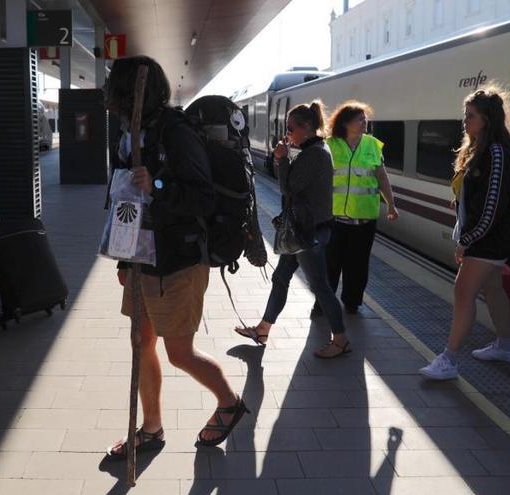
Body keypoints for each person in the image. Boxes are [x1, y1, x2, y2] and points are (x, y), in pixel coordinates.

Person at [103, 56, 248, 458]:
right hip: (140, 257)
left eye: (112, 87)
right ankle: (151, 429)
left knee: (178, 352)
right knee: (140, 342)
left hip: (178, 262)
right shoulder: (129, 133)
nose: (106, 95)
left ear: (133, 92)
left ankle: (229, 402)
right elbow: (123, 200)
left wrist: (159, 185)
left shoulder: (176, 131)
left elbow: (200, 196)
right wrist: (122, 257)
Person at [420, 87, 510, 380]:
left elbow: (491, 207)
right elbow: (481, 197)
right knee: (492, 287)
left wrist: (467, 240)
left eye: (471, 116)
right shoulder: (483, 151)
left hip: (489, 239)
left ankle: (449, 360)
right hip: (489, 237)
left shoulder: (495, 153)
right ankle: (506, 346)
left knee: (463, 292)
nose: (465, 122)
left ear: (488, 120)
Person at [233, 102, 350, 358]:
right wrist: (283, 159)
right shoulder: (313, 150)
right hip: (302, 231)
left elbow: (289, 188)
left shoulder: (315, 154)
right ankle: (263, 328)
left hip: (308, 234)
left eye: (290, 128)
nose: (287, 134)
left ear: (306, 128)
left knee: (320, 286)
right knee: (281, 279)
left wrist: (281, 159)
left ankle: (340, 339)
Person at [320, 101, 399, 315]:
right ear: (345, 122)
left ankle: (352, 302)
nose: (365, 122)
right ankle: (323, 304)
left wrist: (391, 203)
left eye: (365, 118)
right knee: (330, 265)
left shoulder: (372, 145)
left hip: (364, 220)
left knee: (358, 265)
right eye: (360, 119)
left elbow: (381, 176)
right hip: (334, 219)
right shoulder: (330, 145)